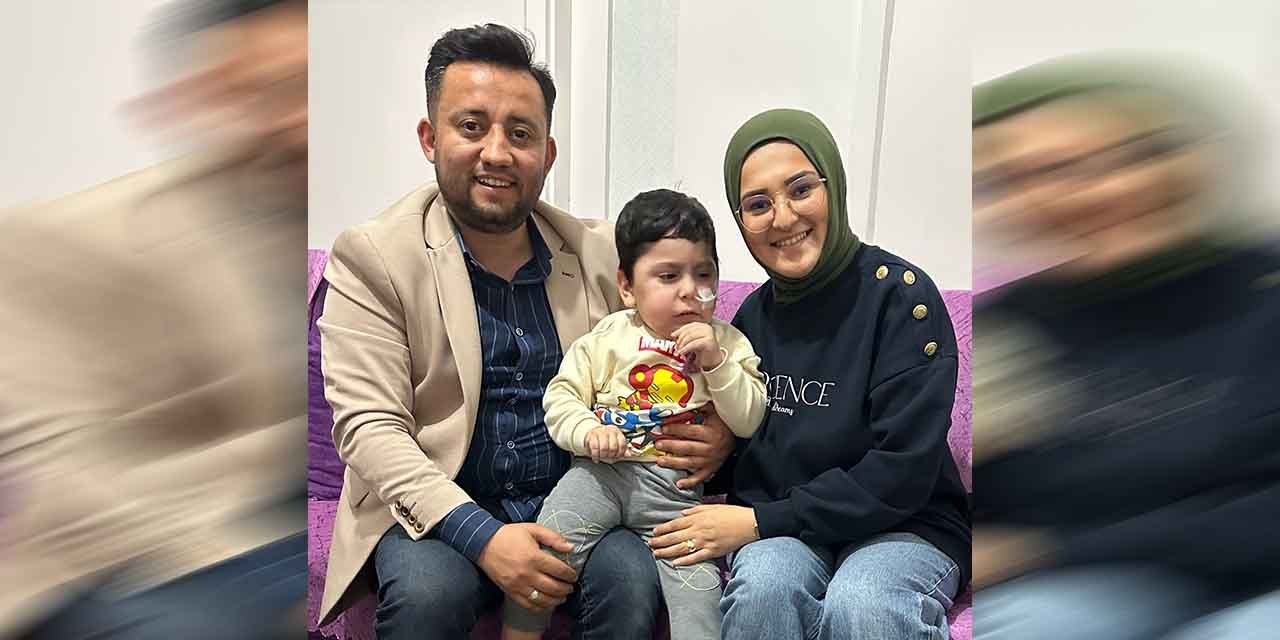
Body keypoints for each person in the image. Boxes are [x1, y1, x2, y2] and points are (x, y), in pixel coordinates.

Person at [315, 24, 737, 639]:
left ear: (547, 153)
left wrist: (718, 435)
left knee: (631, 577)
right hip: (441, 503)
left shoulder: (598, 253)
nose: (497, 152)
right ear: (429, 138)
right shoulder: (373, 256)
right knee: (429, 594)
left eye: (520, 133)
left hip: (579, 493)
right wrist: (484, 537)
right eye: (471, 126)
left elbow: (691, 341)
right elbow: (369, 429)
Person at [0, 1, 308, 638]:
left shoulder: (347, 230)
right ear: (195, 97)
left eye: (313, 90)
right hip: (126, 562)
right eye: (274, 92)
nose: (300, 120)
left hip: (296, 528)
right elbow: (48, 475)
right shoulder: (65, 240)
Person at [971, 54, 1280, 640]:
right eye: (1019, 178)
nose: (1078, 195)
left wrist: (1041, 549)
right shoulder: (1014, 323)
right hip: (1099, 581)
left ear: (1190, 163)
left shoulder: (1265, 298)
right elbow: (998, 506)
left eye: (1124, 159)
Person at [649, 108, 971, 639]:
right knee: (764, 590)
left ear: (832, 186)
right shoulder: (752, 318)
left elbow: (903, 469)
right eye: (758, 204)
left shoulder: (901, 299)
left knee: (864, 602)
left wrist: (759, 521)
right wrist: (719, 450)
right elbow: (762, 442)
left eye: (800, 189)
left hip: (904, 524)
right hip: (789, 526)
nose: (782, 217)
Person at [501, 189, 768, 640]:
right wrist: (587, 431)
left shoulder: (727, 342)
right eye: (668, 276)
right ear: (627, 287)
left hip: (675, 496)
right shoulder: (609, 337)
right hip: (599, 476)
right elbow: (561, 397)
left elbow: (749, 419)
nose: (690, 291)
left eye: (704, 274)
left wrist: (717, 363)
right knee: (546, 554)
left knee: (701, 593)